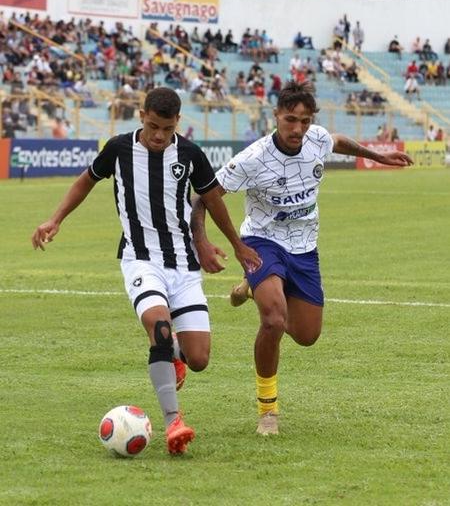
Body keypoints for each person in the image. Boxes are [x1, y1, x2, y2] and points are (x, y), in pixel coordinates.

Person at [31, 87, 261, 455]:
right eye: (153, 126)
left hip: (183, 266)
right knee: (159, 326)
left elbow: (212, 200)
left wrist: (234, 243)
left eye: (167, 129)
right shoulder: (119, 149)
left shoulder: (189, 154)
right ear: (141, 115)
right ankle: (174, 422)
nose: (158, 135)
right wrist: (55, 219)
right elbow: (85, 181)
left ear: (178, 124)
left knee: (199, 359)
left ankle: (175, 359)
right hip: (140, 259)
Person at [190, 81, 413, 436]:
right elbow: (203, 198)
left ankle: (251, 288)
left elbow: (338, 141)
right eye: (290, 119)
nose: (297, 129)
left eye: (304, 121)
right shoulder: (253, 159)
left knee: (307, 335)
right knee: (275, 320)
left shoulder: (316, 139)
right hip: (261, 242)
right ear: (276, 116)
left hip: (305, 246)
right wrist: (203, 241)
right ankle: (268, 412)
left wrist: (379, 156)